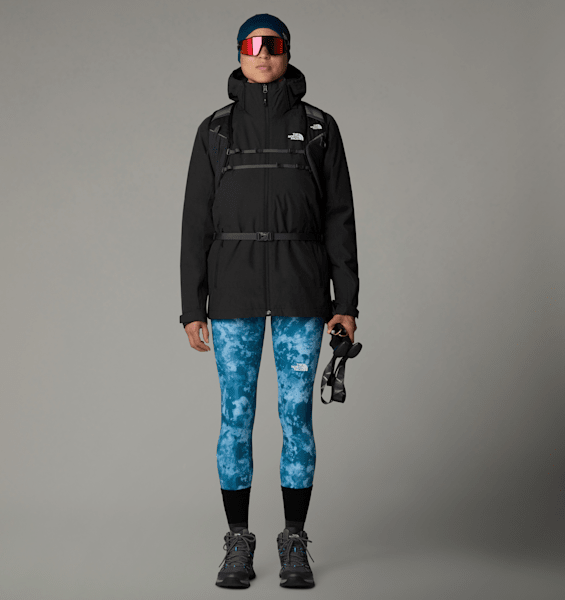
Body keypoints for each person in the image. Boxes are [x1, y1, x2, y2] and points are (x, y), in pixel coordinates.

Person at [178, 13, 359, 589]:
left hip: (301, 293)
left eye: (272, 44)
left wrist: (346, 302)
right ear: (238, 53)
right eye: (252, 45)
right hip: (232, 295)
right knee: (235, 418)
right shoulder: (215, 130)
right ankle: (238, 541)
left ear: (287, 52)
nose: (262, 54)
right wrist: (192, 306)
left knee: (296, 418)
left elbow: (340, 218)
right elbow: (195, 221)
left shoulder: (319, 127)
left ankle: (294, 541)